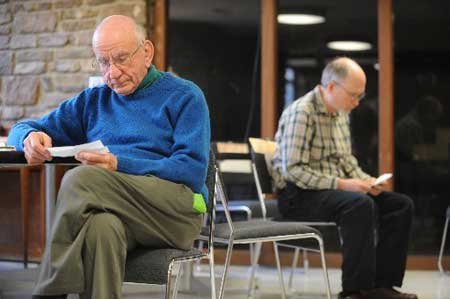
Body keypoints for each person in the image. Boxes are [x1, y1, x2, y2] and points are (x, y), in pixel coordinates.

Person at [7, 15, 210, 299]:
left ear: (147, 52)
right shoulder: (94, 101)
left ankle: (48, 292)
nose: (112, 72)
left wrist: (119, 164)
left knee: (82, 179)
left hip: (178, 211)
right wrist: (28, 138)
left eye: (121, 58)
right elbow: (21, 128)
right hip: (119, 210)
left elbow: (191, 171)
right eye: (103, 62)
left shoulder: (185, 96)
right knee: (102, 229)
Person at [271, 57, 417, 299]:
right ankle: (355, 290)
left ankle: (382, 285)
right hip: (297, 196)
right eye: (353, 95)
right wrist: (343, 184)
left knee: (400, 205)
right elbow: (293, 171)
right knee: (358, 204)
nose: (358, 102)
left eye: (360, 95)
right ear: (331, 87)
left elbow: (346, 161)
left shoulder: (340, 113)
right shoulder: (302, 112)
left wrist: (367, 182)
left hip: (333, 191)